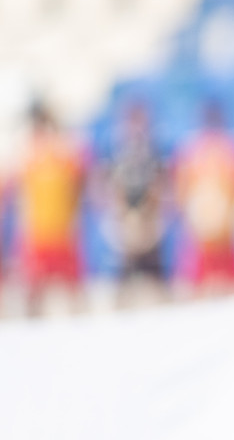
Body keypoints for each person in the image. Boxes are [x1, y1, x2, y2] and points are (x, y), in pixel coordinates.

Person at [14, 104, 85, 315]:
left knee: (72, 289)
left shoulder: (65, 154)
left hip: (62, 232)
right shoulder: (28, 155)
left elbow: (78, 187)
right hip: (37, 233)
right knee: (34, 291)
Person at [102, 101, 169, 300]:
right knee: (124, 276)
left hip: (148, 219)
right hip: (128, 220)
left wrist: (150, 214)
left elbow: (160, 185)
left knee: (155, 277)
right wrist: (122, 216)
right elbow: (112, 187)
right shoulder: (118, 152)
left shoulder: (154, 151)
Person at [174, 102, 234, 292]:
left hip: (213, 221)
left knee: (217, 273)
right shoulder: (221, 149)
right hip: (208, 221)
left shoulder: (218, 149)